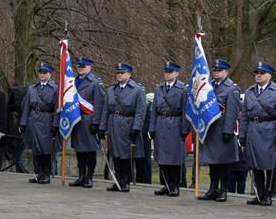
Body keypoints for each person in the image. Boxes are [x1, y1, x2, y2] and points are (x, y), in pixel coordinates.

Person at [239, 63, 276, 206]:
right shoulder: (249, 92)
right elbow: (244, 116)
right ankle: (259, 193)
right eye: (257, 73)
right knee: (255, 164)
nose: (258, 75)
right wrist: (242, 135)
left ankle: (268, 193)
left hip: (270, 130)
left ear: (270, 75)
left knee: (270, 164)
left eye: (262, 73)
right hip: (253, 129)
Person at [197, 60, 241, 201]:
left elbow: (232, 111)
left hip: (222, 129)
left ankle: (223, 190)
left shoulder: (231, 88)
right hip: (210, 128)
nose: (216, 72)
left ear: (226, 72)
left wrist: (228, 130)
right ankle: (212, 188)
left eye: (219, 70)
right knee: (212, 162)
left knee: (224, 162)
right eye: (215, 70)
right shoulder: (207, 85)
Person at [103, 63, 146, 192]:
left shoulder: (137, 90)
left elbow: (141, 111)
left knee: (126, 155)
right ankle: (118, 180)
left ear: (129, 74)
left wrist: (136, 127)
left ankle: (125, 181)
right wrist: (102, 127)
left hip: (128, 124)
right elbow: (106, 110)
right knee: (115, 153)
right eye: (118, 73)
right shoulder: (111, 90)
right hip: (113, 124)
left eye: (122, 73)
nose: (119, 75)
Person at [151, 62, 190, 197]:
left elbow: (186, 110)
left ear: (177, 73)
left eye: (171, 72)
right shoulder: (159, 89)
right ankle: (165, 184)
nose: (167, 74)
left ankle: (175, 185)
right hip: (161, 123)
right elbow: (154, 110)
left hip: (175, 123)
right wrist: (152, 127)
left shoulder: (183, 89)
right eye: (166, 72)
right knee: (162, 157)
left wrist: (185, 129)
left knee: (174, 158)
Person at [67, 58, 104, 187]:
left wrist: (96, 123)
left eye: (83, 67)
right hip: (76, 120)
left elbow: (99, 105)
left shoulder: (95, 83)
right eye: (79, 67)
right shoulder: (74, 81)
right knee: (79, 150)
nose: (80, 68)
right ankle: (81, 176)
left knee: (89, 150)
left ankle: (89, 176)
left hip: (88, 120)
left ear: (90, 67)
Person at [21, 61, 60, 183]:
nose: (42, 75)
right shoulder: (32, 88)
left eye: (45, 72)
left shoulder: (55, 88)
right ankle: (38, 173)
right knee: (36, 150)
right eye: (40, 72)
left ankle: (46, 175)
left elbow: (57, 109)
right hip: (34, 120)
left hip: (47, 120)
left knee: (46, 149)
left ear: (50, 74)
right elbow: (26, 107)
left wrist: (55, 124)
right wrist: (23, 122)